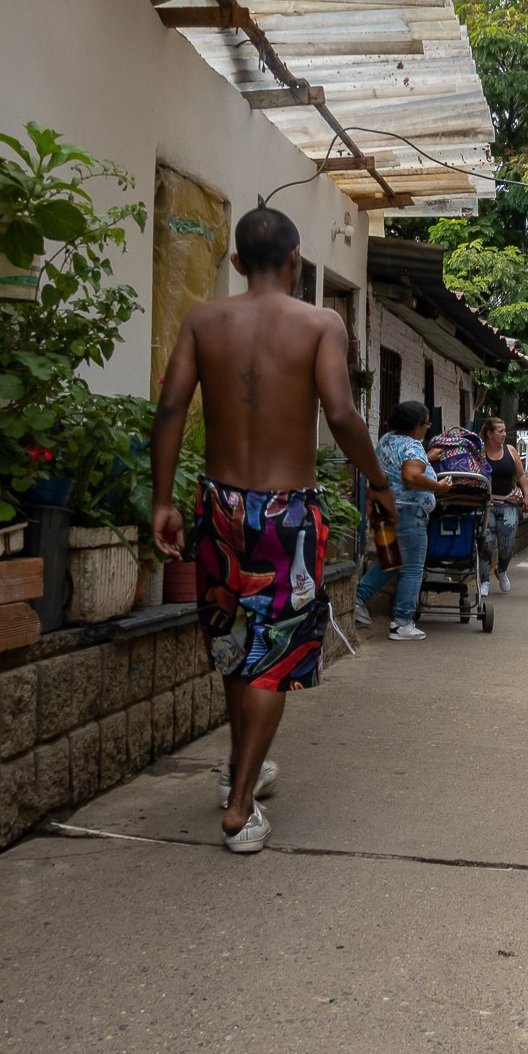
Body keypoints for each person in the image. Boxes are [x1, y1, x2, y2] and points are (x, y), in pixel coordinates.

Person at [150, 206, 395, 855]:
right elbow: (340, 411)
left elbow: (171, 405)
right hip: (286, 515)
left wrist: (161, 501)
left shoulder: (204, 319)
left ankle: (243, 768)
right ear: (295, 262)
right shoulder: (321, 323)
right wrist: (376, 478)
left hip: (220, 507)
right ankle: (238, 808)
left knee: (236, 646)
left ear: (235, 263)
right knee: (274, 658)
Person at [353, 401, 454, 639]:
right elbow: (410, 476)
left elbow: (397, 467)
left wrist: (426, 458)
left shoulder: (387, 439)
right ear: (417, 425)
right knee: (412, 568)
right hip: (407, 512)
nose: (427, 428)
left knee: (391, 561)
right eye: (427, 424)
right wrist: (438, 487)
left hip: (382, 508)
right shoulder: (412, 446)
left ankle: (357, 599)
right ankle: (402, 622)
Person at [482, 417, 528, 593]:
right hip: (487, 504)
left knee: (507, 544)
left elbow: (522, 474)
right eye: (500, 431)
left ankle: (501, 570)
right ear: (489, 434)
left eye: (504, 431)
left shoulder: (510, 450)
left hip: (509, 502)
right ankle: (484, 580)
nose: (504, 434)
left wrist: (527, 495)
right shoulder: (480, 452)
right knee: (486, 543)